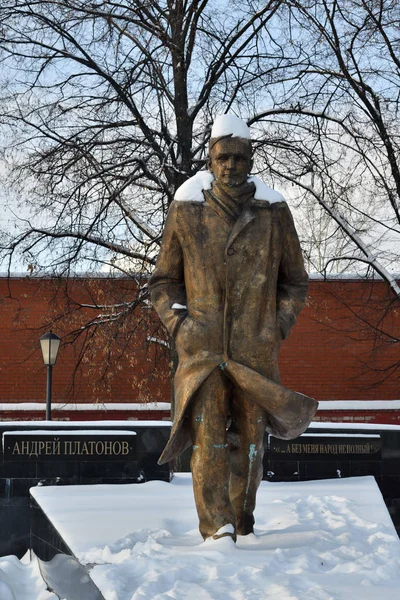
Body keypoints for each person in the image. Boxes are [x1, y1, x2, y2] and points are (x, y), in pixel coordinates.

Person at [149, 115, 317, 542]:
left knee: (251, 444)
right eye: (223, 157)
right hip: (202, 351)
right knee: (208, 442)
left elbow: (295, 281)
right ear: (211, 158)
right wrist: (180, 325)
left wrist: (276, 325)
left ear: (251, 159)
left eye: (240, 157)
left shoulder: (273, 211)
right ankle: (217, 530)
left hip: (254, 352)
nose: (231, 165)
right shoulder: (186, 209)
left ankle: (244, 520)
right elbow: (163, 282)